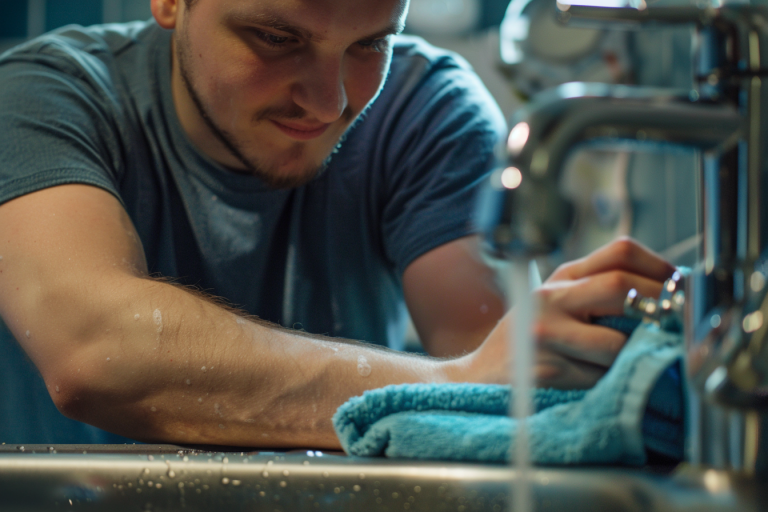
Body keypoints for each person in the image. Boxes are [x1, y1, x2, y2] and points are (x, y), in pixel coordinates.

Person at [0, 0, 675, 448]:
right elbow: (95, 351)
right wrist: (447, 384)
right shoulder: (41, 99)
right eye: (276, 38)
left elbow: (497, 384)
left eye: (370, 44)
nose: (330, 101)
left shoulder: (425, 108)